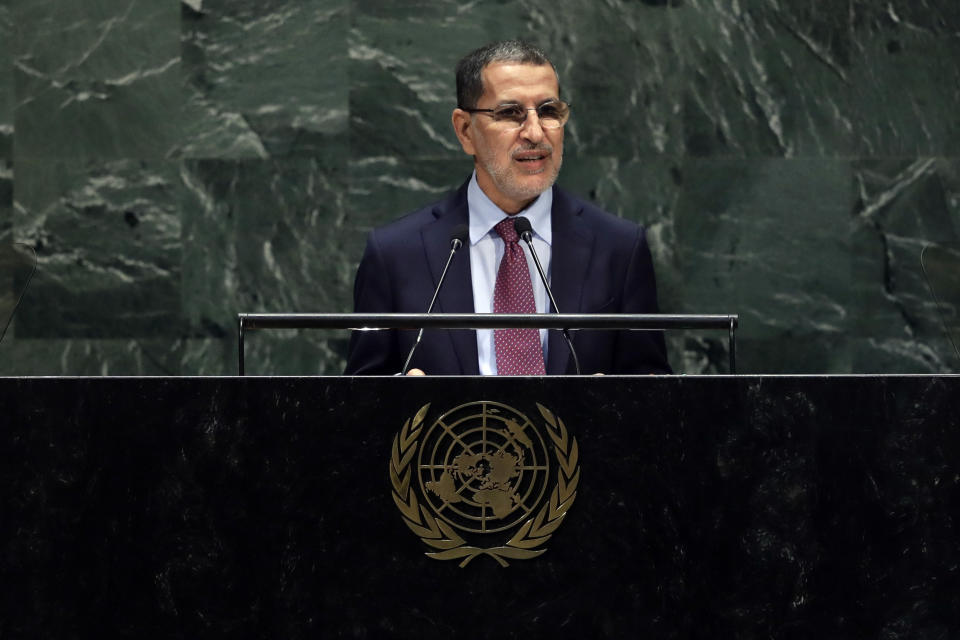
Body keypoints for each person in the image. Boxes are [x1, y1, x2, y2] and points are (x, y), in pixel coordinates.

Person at [344, 40, 671, 376]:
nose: (534, 132)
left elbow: (656, 394)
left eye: (548, 111)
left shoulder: (618, 247)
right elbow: (355, 405)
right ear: (465, 130)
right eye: (510, 113)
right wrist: (394, 404)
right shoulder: (396, 254)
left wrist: (619, 405)